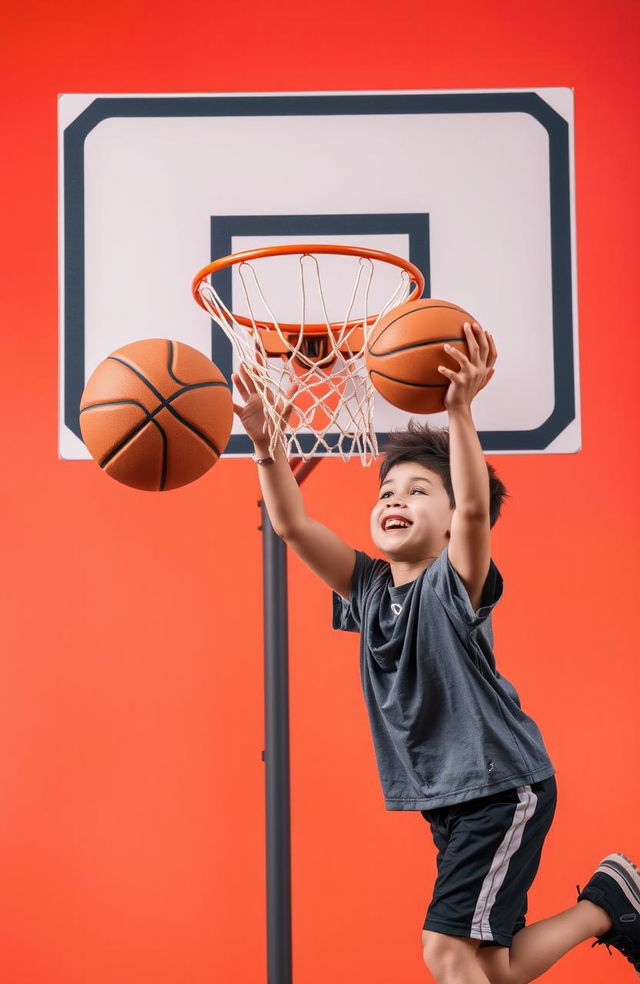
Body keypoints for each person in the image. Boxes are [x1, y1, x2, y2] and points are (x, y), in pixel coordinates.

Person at [232, 321, 640, 983]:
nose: (395, 498)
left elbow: (476, 511)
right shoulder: (365, 589)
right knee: (492, 968)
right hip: (450, 802)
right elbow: (291, 523)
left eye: (420, 491)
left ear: (450, 521)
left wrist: (459, 410)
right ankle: (608, 903)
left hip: (503, 788)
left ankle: (608, 903)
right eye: (387, 491)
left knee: (444, 952)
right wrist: (263, 440)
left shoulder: (455, 582)